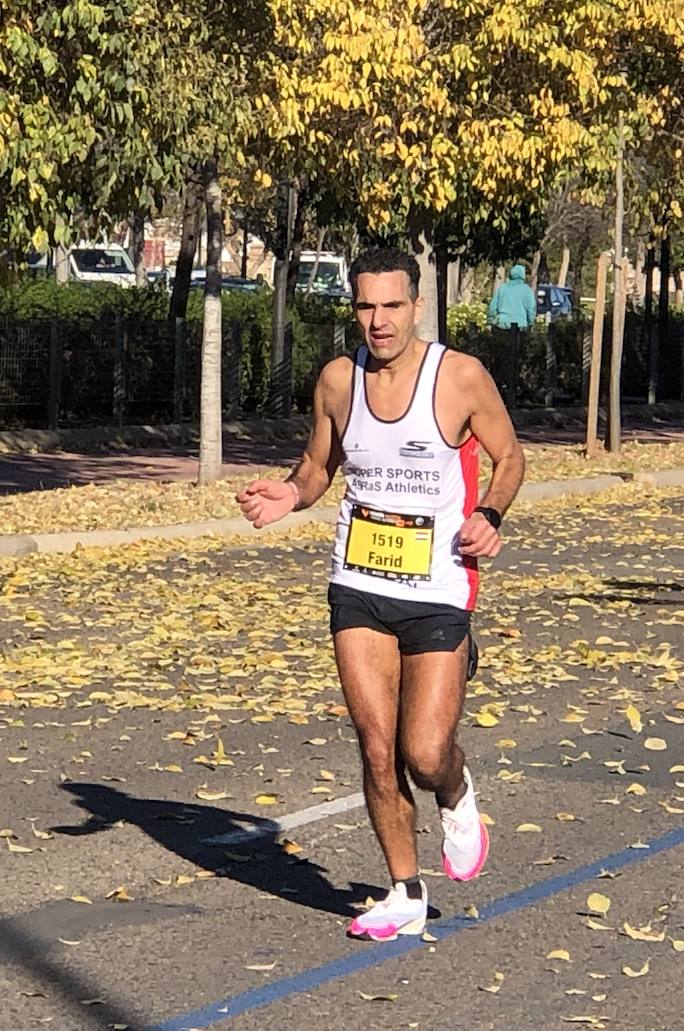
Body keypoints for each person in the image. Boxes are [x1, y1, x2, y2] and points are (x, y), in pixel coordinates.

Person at [236, 247, 525, 942]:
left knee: (424, 752)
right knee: (375, 744)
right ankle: (404, 889)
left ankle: (456, 794)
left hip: (438, 586)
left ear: (415, 306)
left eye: (391, 305)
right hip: (358, 583)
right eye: (365, 306)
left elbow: (510, 456)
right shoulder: (338, 379)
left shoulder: (459, 376)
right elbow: (317, 464)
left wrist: (489, 515)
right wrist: (291, 492)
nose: (378, 320)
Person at [487, 263, 536, 405]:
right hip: (520, 327)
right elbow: (530, 308)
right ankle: (515, 387)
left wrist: (491, 321)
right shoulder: (526, 290)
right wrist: (530, 323)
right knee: (517, 359)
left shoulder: (502, 288)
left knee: (502, 358)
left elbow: (493, 307)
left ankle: (502, 385)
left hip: (502, 326)